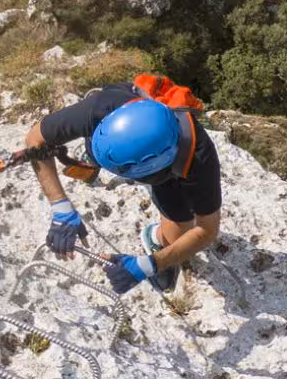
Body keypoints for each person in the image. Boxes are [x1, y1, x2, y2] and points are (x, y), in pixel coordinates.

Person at [21, 74, 220, 294]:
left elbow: (207, 229)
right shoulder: (101, 108)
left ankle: (154, 238)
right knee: (93, 152)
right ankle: (92, 159)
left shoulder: (198, 158)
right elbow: (35, 140)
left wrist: (152, 263)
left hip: (168, 168)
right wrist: (60, 207)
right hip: (116, 117)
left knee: (180, 233)